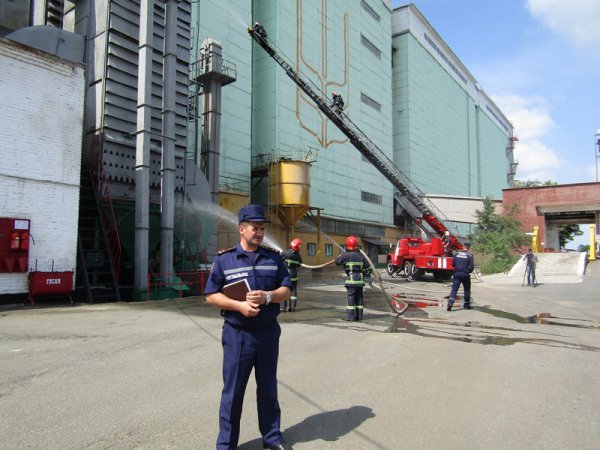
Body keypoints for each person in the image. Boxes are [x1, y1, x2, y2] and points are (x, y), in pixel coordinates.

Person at [204, 204, 292, 450]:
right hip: (238, 334)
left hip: (267, 333)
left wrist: (268, 296)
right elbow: (211, 295)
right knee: (233, 392)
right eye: (255, 228)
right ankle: (226, 444)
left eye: (262, 229)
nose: (260, 233)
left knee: (268, 388)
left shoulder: (273, 258)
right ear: (241, 229)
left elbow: (286, 290)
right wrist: (238, 306)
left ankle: (272, 438)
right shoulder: (224, 260)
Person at [335, 235, 367, 321]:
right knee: (359, 298)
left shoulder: (346, 255)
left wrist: (341, 255)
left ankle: (350, 316)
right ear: (356, 245)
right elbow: (367, 266)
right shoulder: (361, 255)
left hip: (351, 281)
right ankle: (359, 316)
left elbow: (337, 262)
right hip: (360, 281)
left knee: (351, 298)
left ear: (347, 245)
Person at [447, 242, 474, 311]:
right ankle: (466, 304)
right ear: (469, 248)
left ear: (463, 246)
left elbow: (453, 264)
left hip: (457, 273)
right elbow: (471, 268)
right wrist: (468, 271)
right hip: (465, 274)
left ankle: (450, 303)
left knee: (454, 289)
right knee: (467, 290)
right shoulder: (470, 256)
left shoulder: (456, 254)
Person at [280, 238, 303, 312]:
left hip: (285, 276)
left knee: (283, 290)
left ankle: (283, 308)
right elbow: (299, 264)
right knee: (293, 291)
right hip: (294, 276)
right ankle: (292, 307)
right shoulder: (298, 256)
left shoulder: (285, 253)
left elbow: (279, 259)